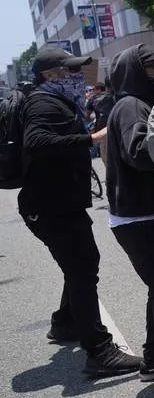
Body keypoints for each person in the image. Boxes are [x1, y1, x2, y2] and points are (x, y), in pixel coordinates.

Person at [20, 47, 143, 377]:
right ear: (50, 75)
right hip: (51, 205)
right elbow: (36, 141)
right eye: (71, 70)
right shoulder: (43, 102)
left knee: (79, 264)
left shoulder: (52, 99)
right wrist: (91, 137)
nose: (78, 76)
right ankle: (99, 352)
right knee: (83, 269)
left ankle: (64, 323)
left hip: (57, 203)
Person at [105, 44, 154, 385]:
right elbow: (138, 152)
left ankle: (153, 360)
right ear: (137, 72)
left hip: (144, 214)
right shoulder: (131, 106)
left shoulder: (134, 104)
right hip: (140, 216)